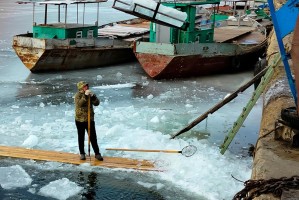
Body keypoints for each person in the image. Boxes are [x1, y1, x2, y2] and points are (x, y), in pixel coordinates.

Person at [75, 81, 103, 161]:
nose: (86, 87)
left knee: (93, 137)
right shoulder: (78, 95)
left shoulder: (90, 94)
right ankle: (82, 153)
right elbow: (79, 104)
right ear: (81, 87)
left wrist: (93, 96)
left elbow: (96, 103)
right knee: (81, 136)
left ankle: (97, 154)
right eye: (84, 86)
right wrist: (85, 96)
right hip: (80, 120)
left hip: (89, 119)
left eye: (87, 86)